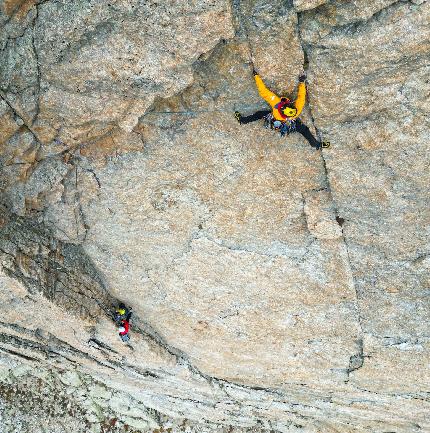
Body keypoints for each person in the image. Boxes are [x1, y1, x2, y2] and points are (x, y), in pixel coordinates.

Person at [235, 69, 329, 150]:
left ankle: (243, 120)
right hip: (289, 125)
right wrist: (302, 82)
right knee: (304, 130)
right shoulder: (297, 110)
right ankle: (315, 144)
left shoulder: (276, 104)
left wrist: (256, 77)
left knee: (260, 114)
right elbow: (301, 97)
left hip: (275, 120)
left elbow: (263, 91)